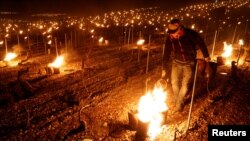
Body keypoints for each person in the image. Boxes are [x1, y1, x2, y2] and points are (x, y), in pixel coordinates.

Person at [162, 19, 210, 112]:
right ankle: (178, 100)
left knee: (185, 84)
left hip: (189, 62)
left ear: (179, 27)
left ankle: (178, 103)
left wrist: (206, 55)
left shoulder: (189, 34)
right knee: (174, 82)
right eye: (170, 32)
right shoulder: (170, 37)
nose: (172, 34)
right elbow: (166, 52)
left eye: (174, 32)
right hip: (176, 62)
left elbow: (200, 43)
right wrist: (164, 67)